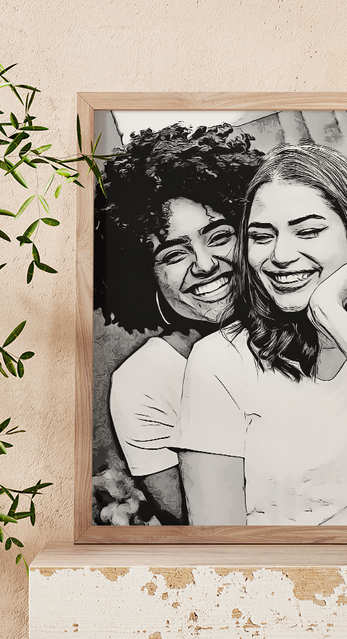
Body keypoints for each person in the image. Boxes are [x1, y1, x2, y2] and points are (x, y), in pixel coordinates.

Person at [174, 141, 347, 526]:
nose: (279, 255)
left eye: (307, 232)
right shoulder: (220, 360)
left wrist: (332, 315)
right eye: (261, 236)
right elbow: (217, 541)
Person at [94, 123, 263, 524]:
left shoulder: (314, 330)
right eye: (173, 254)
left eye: (220, 236)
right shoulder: (144, 383)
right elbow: (189, 520)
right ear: (143, 277)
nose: (204, 265)